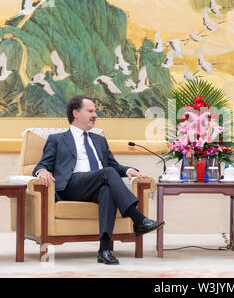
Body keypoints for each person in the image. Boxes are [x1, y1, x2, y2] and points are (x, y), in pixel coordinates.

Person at [33, 95, 165, 265]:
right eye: (90, 111)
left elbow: (113, 165)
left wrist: (130, 170)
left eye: (95, 111)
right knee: (107, 173)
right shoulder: (57, 139)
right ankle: (138, 219)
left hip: (96, 185)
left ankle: (104, 250)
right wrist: (42, 171)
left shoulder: (99, 140)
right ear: (76, 113)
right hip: (71, 186)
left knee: (107, 190)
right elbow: (42, 164)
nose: (95, 114)